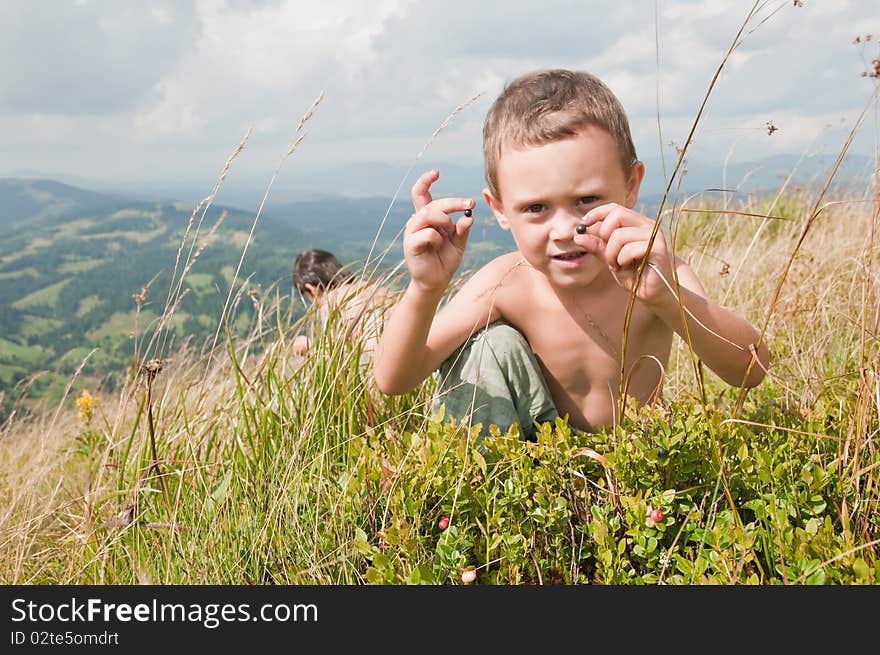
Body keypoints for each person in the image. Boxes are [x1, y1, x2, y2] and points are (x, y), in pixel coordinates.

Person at [371, 69, 772, 441]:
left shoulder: (654, 271)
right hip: (532, 470)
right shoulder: (508, 282)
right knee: (491, 347)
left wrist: (667, 297)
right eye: (535, 208)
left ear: (630, 187)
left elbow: (751, 369)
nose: (564, 231)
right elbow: (395, 380)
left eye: (586, 200)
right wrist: (425, 288)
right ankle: (480, 504)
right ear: (499, 209)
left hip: (636, 460)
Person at [292, 249, 393, 358]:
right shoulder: (373, 288)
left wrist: (309, 346)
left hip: (384, 360)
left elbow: (332, 357)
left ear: (311, 290)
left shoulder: (331, 304)